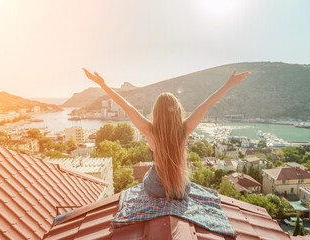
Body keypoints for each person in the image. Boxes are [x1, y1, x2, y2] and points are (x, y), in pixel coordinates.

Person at [83, 68, 250, 200]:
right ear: (177, 111)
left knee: (149, 174)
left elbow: (126, 106)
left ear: (156, 112)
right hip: (180, 189)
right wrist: (228, 84)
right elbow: (206, 104)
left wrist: (103, 85)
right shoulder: (185, 129)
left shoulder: (148, 130)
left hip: (154, 188)